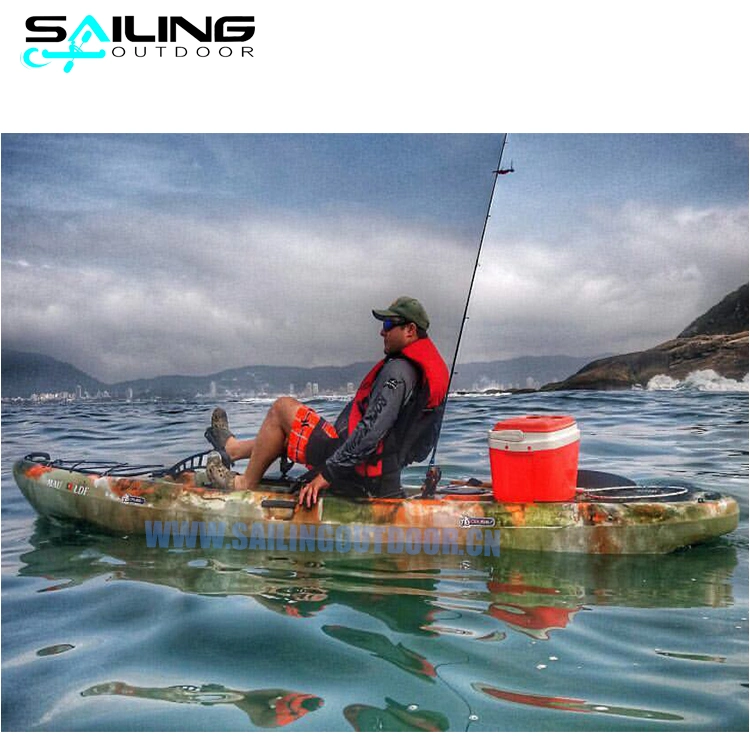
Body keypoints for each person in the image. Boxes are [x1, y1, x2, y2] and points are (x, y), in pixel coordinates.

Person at [205, 296, 449, 507]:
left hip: (359, 470)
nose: (382, 332)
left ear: (410, 330)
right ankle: (234, 450)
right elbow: (423, 443)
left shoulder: (399, 372)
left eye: (388, 325)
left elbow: (371, 431)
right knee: (290, 429)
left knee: (282, 409)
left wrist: (328, 473)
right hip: (379, 469)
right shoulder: (422, 371)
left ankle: (243, 483)